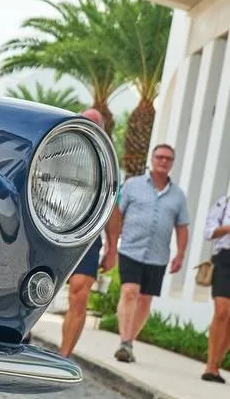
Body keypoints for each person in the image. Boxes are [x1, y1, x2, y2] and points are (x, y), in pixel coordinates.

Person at [104, 142, 189, 363]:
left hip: (158, 255)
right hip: (131, 249)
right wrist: (112, 245)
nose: (163, 161)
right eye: (159, 157)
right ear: (152, 159)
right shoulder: (132, 185)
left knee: (144, 300)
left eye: (168, 159)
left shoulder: (178, 196)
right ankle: (124, 341)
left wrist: (180, 254)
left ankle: (130, 341)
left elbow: (182, 227)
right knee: (130, 292)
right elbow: (116, 215)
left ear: (172, 164)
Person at [58, 107, 112, 359]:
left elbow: (115, 208)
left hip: (88, 236)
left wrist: (112, 247)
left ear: (103, 128)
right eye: (85, 120)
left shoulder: (110, 163)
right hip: (49, 230)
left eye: (95, 123)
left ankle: (64, 355)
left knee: (79, 293)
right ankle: (21, 337)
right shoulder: (56, 146)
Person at [203, 184, 230, 384]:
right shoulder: (224, 203)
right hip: (225, 259)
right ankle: (210, 366)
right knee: (222, 311)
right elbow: (209, 232)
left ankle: (217, 366)